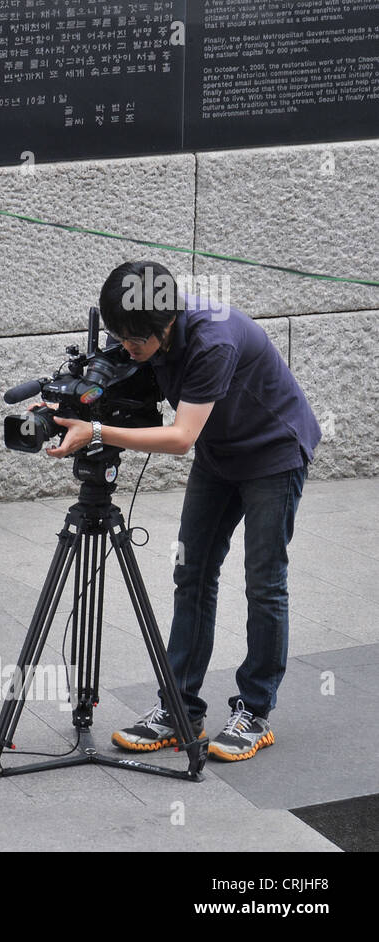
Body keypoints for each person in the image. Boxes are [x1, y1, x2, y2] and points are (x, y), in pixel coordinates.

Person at [44, 261, 321, 762]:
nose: (128, 346)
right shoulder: (151, 333)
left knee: (263, 581)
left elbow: (179, 437)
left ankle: (254, 712)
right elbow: (126, 386)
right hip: (221, 454)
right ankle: (179, 708)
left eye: (135, 339)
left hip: (273, 452)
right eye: (119, 335)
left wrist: (98, 433)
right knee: (191, 573)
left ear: (165, 324)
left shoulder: (213, 339)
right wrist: (66, 407)